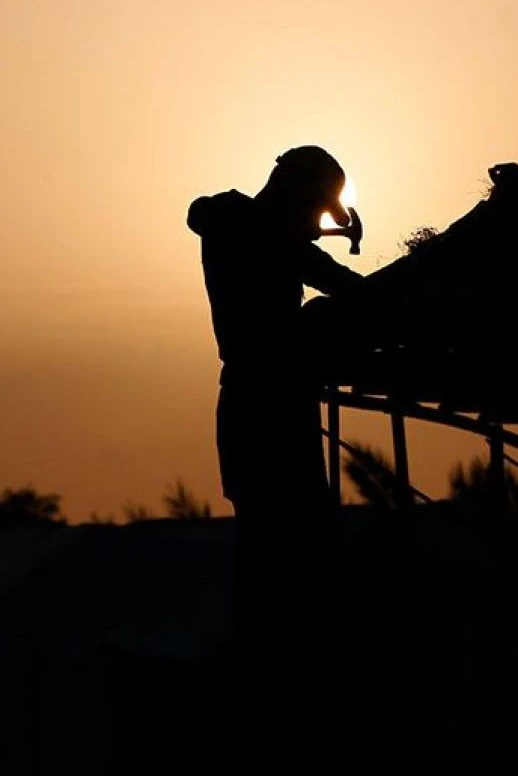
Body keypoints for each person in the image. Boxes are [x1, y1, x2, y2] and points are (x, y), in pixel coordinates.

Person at [187, 145, 364, 657]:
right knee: (275, 544)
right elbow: (201, 212)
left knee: (292, 540)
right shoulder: (237, 220)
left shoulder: (269, 234)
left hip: (274, 401)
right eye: (313, 209)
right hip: (261, 405)